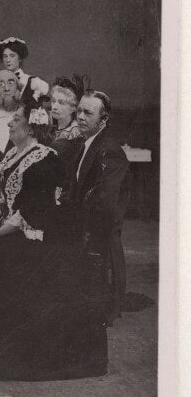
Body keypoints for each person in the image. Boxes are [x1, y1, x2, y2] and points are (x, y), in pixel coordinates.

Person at [0, 102, 109, 380]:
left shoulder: (44, 159)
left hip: (35, 238)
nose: (9, 123)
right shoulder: (15, 154)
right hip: (13, 228)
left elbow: (32, 210)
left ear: (31, 127)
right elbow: (5, 201)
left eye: (16, 119)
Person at [57, 90, 130, 318]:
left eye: (88, 113)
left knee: (93, 312)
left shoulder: (109, 151)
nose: (80, 116)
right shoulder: (87, 143)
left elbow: (105, 205)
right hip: (85, 229)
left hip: (98, 236)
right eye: (79, 110)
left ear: (103, 119)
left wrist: (78, 229)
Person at [0, 37, 50, 112]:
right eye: (5, 56)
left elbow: (38, 111)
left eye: (12, 56)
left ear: (20, 58)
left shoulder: (32, 82)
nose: (8, 60)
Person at [50, 75, 85, 143]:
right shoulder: (49, 127)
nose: (54, 107)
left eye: (61, 103)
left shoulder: (75, 132)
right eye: (53, 101)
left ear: (73, 108)